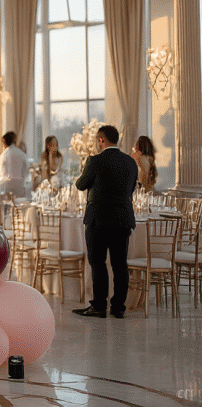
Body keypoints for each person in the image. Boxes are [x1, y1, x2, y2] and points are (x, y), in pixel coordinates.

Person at [73, 125, 138, 319]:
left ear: (101, 139)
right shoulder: (130, 162)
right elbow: (131, 189)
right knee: (120, 265)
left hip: (98, 220)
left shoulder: (95, 160)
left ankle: (99, 306)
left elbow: (81, 184)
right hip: (122, 219)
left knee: (98, 263)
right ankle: (118, 307)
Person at [0, 131, 28, 198]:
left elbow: (1, 173)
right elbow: (26, 172)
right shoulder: (21, 154)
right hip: (20, 185)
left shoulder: (4, 154)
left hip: (7, 186)